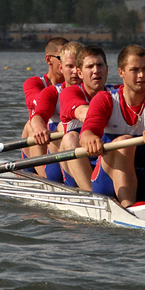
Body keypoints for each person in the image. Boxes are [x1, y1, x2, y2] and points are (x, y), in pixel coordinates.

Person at [80, 45, 145, 208]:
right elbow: (87, 133)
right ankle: (128, 206)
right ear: (121, 72)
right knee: (125, 142)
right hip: (109, 182)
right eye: (135, 70)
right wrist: (91, 139)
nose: (142, 75)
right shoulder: (105, 100)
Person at [26, 41, 84, 183]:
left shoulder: (97, 90)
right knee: (31, 125)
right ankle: (43, 179)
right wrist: (39, 127)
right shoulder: (46, 89)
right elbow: (38, 112)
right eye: (69, 66)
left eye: (78, 66)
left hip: (75, 146)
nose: (75, 71)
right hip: (48, 147)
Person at [57, 45, 111, 191]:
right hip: (77, 170)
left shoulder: (116, 93)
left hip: (106, 162)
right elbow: (85, 113)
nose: (96, 71)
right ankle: (92, 195)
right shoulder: (70, 93)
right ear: (80, 73)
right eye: (90, 66)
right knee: (70, 138)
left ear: (107, 69)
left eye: (99, 65)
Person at [20, 37, 67, 171]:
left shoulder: (78, 84)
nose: (68, 62)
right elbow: (40, 103)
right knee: (30, 125)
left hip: (62, 144)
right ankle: (43, 176)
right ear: (48, 59)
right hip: (40, 144)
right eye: (61, 57)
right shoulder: (34, 83)